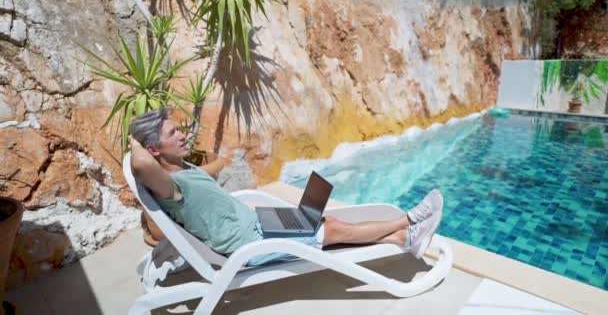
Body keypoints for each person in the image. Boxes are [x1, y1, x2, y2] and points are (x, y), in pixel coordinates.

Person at [129, 109, 443, 266]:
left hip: (258, 224)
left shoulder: (185, 168)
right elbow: (140, 164)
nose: (183, 134)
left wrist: (221, 163)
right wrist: (134, 141)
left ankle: (404, 238)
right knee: (332, 229)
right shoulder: (169, 186)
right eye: (173, 133)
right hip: (249, 245)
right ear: (154, 149)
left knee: (323, 221)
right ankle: (409, 220)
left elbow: (202, 174)